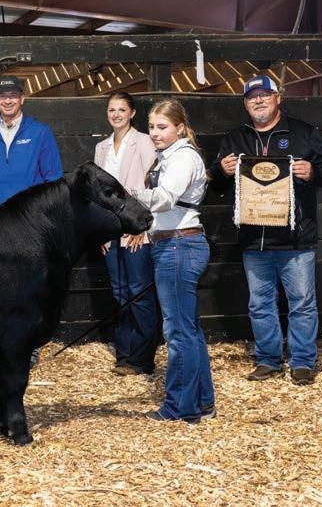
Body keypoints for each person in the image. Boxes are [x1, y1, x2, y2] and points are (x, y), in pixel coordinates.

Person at [208, 75, 322, 386]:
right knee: (259, 304)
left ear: (278, 98)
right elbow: (216, 184)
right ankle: (268, 360)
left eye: (265, 94)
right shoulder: (235, 139)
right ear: (245, 104)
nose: (259, 100)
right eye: (252, 97)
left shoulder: (304, 133)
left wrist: (313, 171)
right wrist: (220, 171)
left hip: (296, 240)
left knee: (302, 303)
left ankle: (302, 362)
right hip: (254, 240)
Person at [131, 99, 215, 423]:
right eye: (151, 127)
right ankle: (201, 401)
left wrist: (128, 196)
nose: (155, 133)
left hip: (179, 245)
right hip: (175, 242)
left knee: (178, 331)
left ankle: (180, 407)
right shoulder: (169, 156)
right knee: (187, 329)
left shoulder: (182, 157)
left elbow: (165, 199)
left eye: (162, 126)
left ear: (180, 127)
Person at [0, 75, 63, 366]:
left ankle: (29, 346)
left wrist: (42, 222)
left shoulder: (40, 132)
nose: (8, 100)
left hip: (28, 226)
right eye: (3, 96)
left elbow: (53, 180)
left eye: (13, 95)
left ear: (22, 98)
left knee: (29, 288)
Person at [94, 92, 160, 376]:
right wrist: (100, 231)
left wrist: (143, 226)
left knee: (139, 291)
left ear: (132, 113)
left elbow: (153, 185)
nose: (116, 114)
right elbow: (97, 194)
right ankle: (124, 354)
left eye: (122, 109)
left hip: (136, 228)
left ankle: (142, 358)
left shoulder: (144, 141)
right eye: (112, 109)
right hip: (110, 229)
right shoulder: (101, 147)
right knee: (119, 291)